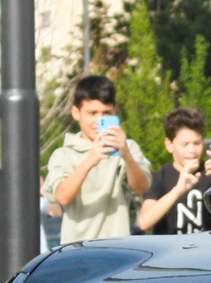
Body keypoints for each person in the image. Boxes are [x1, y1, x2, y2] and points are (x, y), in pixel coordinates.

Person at [41, 74, 152, 243]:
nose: (99, 120)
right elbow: (63, 197)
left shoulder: (127, 147)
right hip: (77, 251)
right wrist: (89, 161)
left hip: (118, 249)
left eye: (106, 113)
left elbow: (141, 188)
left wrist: (127, 156)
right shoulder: (63, 154)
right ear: (76, 113)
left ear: (115, 111)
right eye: (91, 113)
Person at [137, 108, 211, 235]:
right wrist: (178, 190)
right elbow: (144, 222)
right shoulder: (160, 177)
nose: (192, 150)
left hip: (206, 250)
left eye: (197, 143)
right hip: (170, 251)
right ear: (169, 144)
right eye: (184, 144)